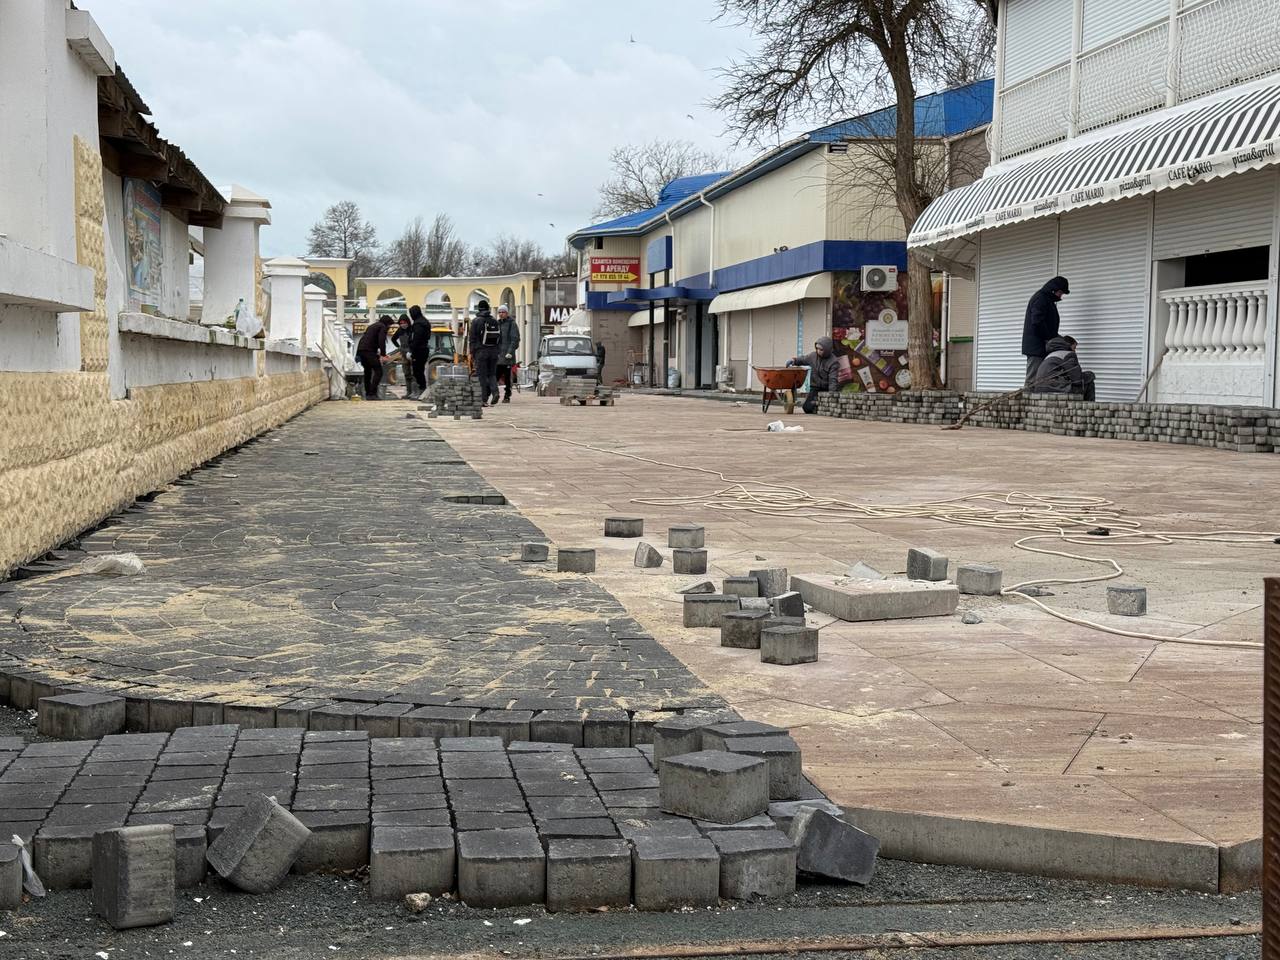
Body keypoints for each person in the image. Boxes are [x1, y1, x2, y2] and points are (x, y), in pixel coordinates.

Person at [1022, 276, 1069, 385]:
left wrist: (1060, 340)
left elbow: (1047, 326)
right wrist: (1050, 338)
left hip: (1041, 346)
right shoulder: (1041, 298)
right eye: (1061, 292)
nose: (1061, 296)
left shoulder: (1047, 300)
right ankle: (1027, 395)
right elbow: (1037, 322)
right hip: (1036, 348)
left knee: (1041, 379)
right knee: (1032, 380)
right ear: (1054, 289)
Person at [786, 336, 841, 414]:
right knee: (807, 408)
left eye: (821, 349)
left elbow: (833, 380)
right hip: (815, 388)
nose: (818, 351)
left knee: (827, 406)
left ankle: (822, 407)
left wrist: (831, 395)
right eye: (817, 348)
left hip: (826, 389)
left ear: (827, 350)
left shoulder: (833, 362)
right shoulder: (813, 356)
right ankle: (818, 407)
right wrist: (793, 361)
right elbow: (803, 359)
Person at [1034, 335, 1096, 401]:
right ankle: (1088, 406)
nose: (1075, 351)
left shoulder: (1050, 355)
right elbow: (1078, 379)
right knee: (1089, 382)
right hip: (1056, 389)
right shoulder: (1068, 354)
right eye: (1074, 348)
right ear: (1069, 345)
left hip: (1039, 390)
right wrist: (1091, 375)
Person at [469, 299, 502, 405]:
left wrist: (472, 353)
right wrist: (497, 351)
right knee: (492, 374)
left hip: (481, 352)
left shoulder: (476, 321)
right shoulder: (494, 321)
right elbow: (500, 338)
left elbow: (472, 339)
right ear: (488, 308)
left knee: (482, 376)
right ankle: (495, 392)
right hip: (494, 352)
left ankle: (483, 399)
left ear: (479, 309)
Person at [356, 315, 391, 400]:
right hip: (369, 351)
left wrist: (377, 353)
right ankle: (372, 393)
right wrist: (383, 354)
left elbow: (367, 339)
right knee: (379, 371)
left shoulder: (372, 326)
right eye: (389, 325)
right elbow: (381, 340)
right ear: (387, 323)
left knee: (367, 372)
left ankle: (368, 393)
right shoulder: (382, 326)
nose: (389, 327)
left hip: (362, 350)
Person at [495, 304, 520, 403]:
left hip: (507, 357)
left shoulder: (511, 324)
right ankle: (494, 394)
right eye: (499, 312)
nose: (501, 314)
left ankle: (507, 395)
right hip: (498, 355)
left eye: (503, 312)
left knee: (507, 377)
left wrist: (510, 351)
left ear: (507, 313)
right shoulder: (497, 324)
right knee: (495, 376)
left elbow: (515, 339)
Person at [407, 304, 432, 398]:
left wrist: (412, 351)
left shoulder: (418, 324)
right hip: (423, 349)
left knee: (417, 371)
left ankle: (421, 390)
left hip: (419, 350)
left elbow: (416, 339)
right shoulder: (424, 322)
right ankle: (421, 390)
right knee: (419, 370)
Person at [390, 314, 414, 398]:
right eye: (401, 323)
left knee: (413, 374)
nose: (403, 324)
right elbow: (393, 339)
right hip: (403, 354)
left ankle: (414, 392)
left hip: (412, 353)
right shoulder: (399, 330)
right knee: (407, 373)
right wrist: (399, 347)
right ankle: (408, 392)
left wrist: (411, 350)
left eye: (404, 322)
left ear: (408, 322)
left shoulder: (412, 329)